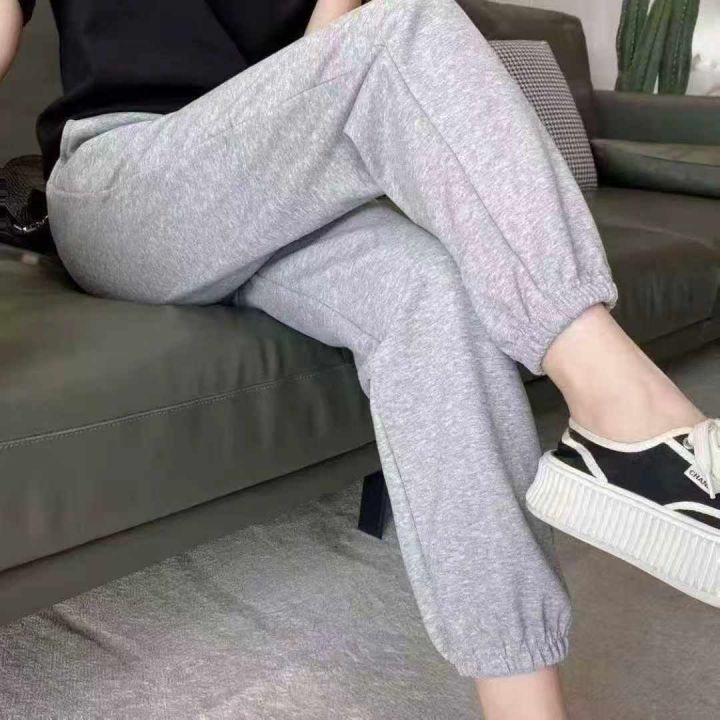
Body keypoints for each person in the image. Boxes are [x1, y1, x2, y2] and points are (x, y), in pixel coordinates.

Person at [2, 0, 718, 718]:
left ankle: (525, 706)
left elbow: (321, 71)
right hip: (125, 183)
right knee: (407, 25)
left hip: (270, 180)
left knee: (433, 290)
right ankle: (627, 416)